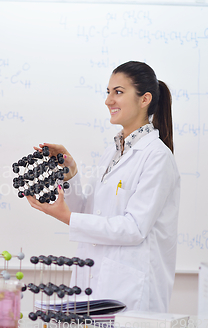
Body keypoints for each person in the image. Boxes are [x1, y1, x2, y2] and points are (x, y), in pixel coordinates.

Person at [27, 61, 180, 312]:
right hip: (94, 282)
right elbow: (91, 211)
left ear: (145, 99)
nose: (109, 100)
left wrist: (68, 218)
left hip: (130, 293)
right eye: (108, 92)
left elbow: (134, 228)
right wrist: (71, 173)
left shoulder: (157, 157)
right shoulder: (113, 151)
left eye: (118, 92)